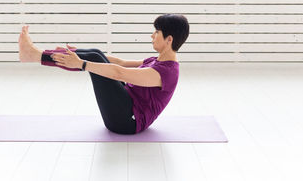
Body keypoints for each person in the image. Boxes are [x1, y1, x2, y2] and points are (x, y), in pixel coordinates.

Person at [18, 14, 190, 134]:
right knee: (96, 53)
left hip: (127, 122)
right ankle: (36, 54)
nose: (152, 35)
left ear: (169, 39)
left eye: (157, 32)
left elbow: (119, 73)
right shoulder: (157, 60)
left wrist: (82, 63)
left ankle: (34, 54)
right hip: (124, 108)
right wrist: (79, 54)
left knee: (93, 58)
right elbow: (120, 63)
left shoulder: (167, 72)